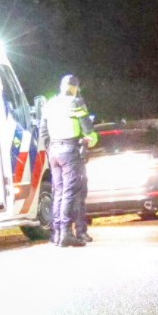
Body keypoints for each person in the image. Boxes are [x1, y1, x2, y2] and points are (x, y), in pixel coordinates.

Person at [43, 73, 98, 247]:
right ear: (74, 88)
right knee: (70, 191)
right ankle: (66, 233)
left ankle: (57, 232)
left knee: (58, 192)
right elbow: (87, 129)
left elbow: (43, 131)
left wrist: (49, 148)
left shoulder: (50, 104)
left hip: (54, 151)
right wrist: (91, 139)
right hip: (69, 149)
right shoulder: (75, 102)